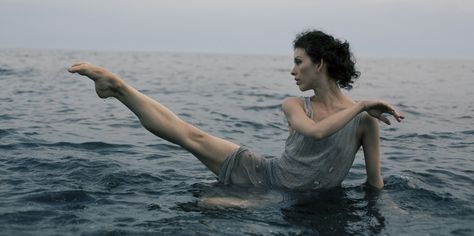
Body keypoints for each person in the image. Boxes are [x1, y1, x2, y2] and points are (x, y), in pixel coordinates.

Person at [68, 30, 403, 193]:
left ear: (320, 64)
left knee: (207, 204)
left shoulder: (364, 122)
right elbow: (315, 132)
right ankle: (117, 87)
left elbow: (375, 183)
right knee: (190, 135)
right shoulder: (294, 105)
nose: (293, 70)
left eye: (299, 62)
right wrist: (360, 104)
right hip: (265, 174)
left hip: (281, 198)